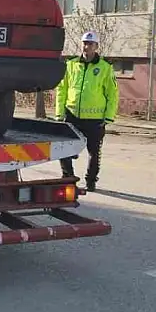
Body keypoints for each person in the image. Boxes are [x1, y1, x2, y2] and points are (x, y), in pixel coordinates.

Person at [54, 31, 119, 192]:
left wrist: (109, 117)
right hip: (72, 115)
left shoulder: (105, 67)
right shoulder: (71, 64)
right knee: (64, 148)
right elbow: (62, 89)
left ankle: (91, 181)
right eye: (84, 43)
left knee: (94, 152)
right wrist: (59, 113)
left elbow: (112, 93)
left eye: (90, 44)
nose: (86, 46)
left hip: (95, 118)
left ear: (96, 46)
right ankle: (68, 177)